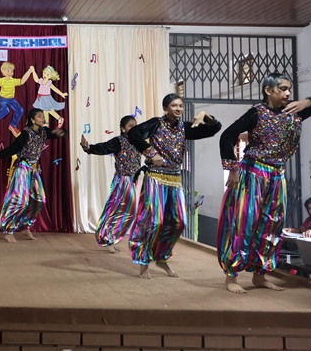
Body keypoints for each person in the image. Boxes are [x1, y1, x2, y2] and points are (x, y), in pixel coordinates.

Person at [218, 76, 311, 293]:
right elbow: (227, 136)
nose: (288, 93)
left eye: (289, 89)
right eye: (282, 89)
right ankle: (231, 277)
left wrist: (308, 102)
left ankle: (260, 275)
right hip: (253, 173)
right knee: (244, 224)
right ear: (268, 90)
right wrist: (232, 169)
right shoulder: (256, 113)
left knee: (271, 225)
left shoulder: (295, 112)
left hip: (277, 176)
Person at [127, 94, 221, 279]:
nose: (178, 108)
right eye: (174, 105)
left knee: (179, 222)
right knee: (154, 222)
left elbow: (214, 129)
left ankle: (161, 257)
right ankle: (144, 261)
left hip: (175, 179)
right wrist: (151, 153)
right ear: (165, 109)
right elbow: (133, 134)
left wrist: (205, 115)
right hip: (155, 177)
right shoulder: (156, 124)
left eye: (180, 105)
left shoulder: (185, 128)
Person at [0, 108, 65, 243]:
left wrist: (60, 132)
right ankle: (9, 230)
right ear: (32, 120)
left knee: (40, 200)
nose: (43, 118)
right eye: (39, 116)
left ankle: (25, 225)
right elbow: (13, 148)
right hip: (23, 168)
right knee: (20, 201)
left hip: (34, 170)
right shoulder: (25, 133)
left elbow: (59, 133)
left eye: (43, 116)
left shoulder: (43, 132)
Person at [81, 115, 142, 253]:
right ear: (123, 129)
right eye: (130, 126)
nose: (134, 128)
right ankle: (107, 238)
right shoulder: (119, 141)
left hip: (132, 180)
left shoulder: (139, 141)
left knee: (125, 211)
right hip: (123, 180)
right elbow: (104, 148)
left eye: (136, 126)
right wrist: (88, 147)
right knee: (121, 210)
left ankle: (108, 238)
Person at [0, 62, 33, 137]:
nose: (10, 73)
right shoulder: (2, 80)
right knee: (6, 110)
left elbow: (22, 81)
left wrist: (29, 71)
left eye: (12, 71)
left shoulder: (13, 81)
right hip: (3, 99)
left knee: (20, 110)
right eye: (8, 71)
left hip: (11, 99)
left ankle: (13, 126)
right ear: (3, 72)